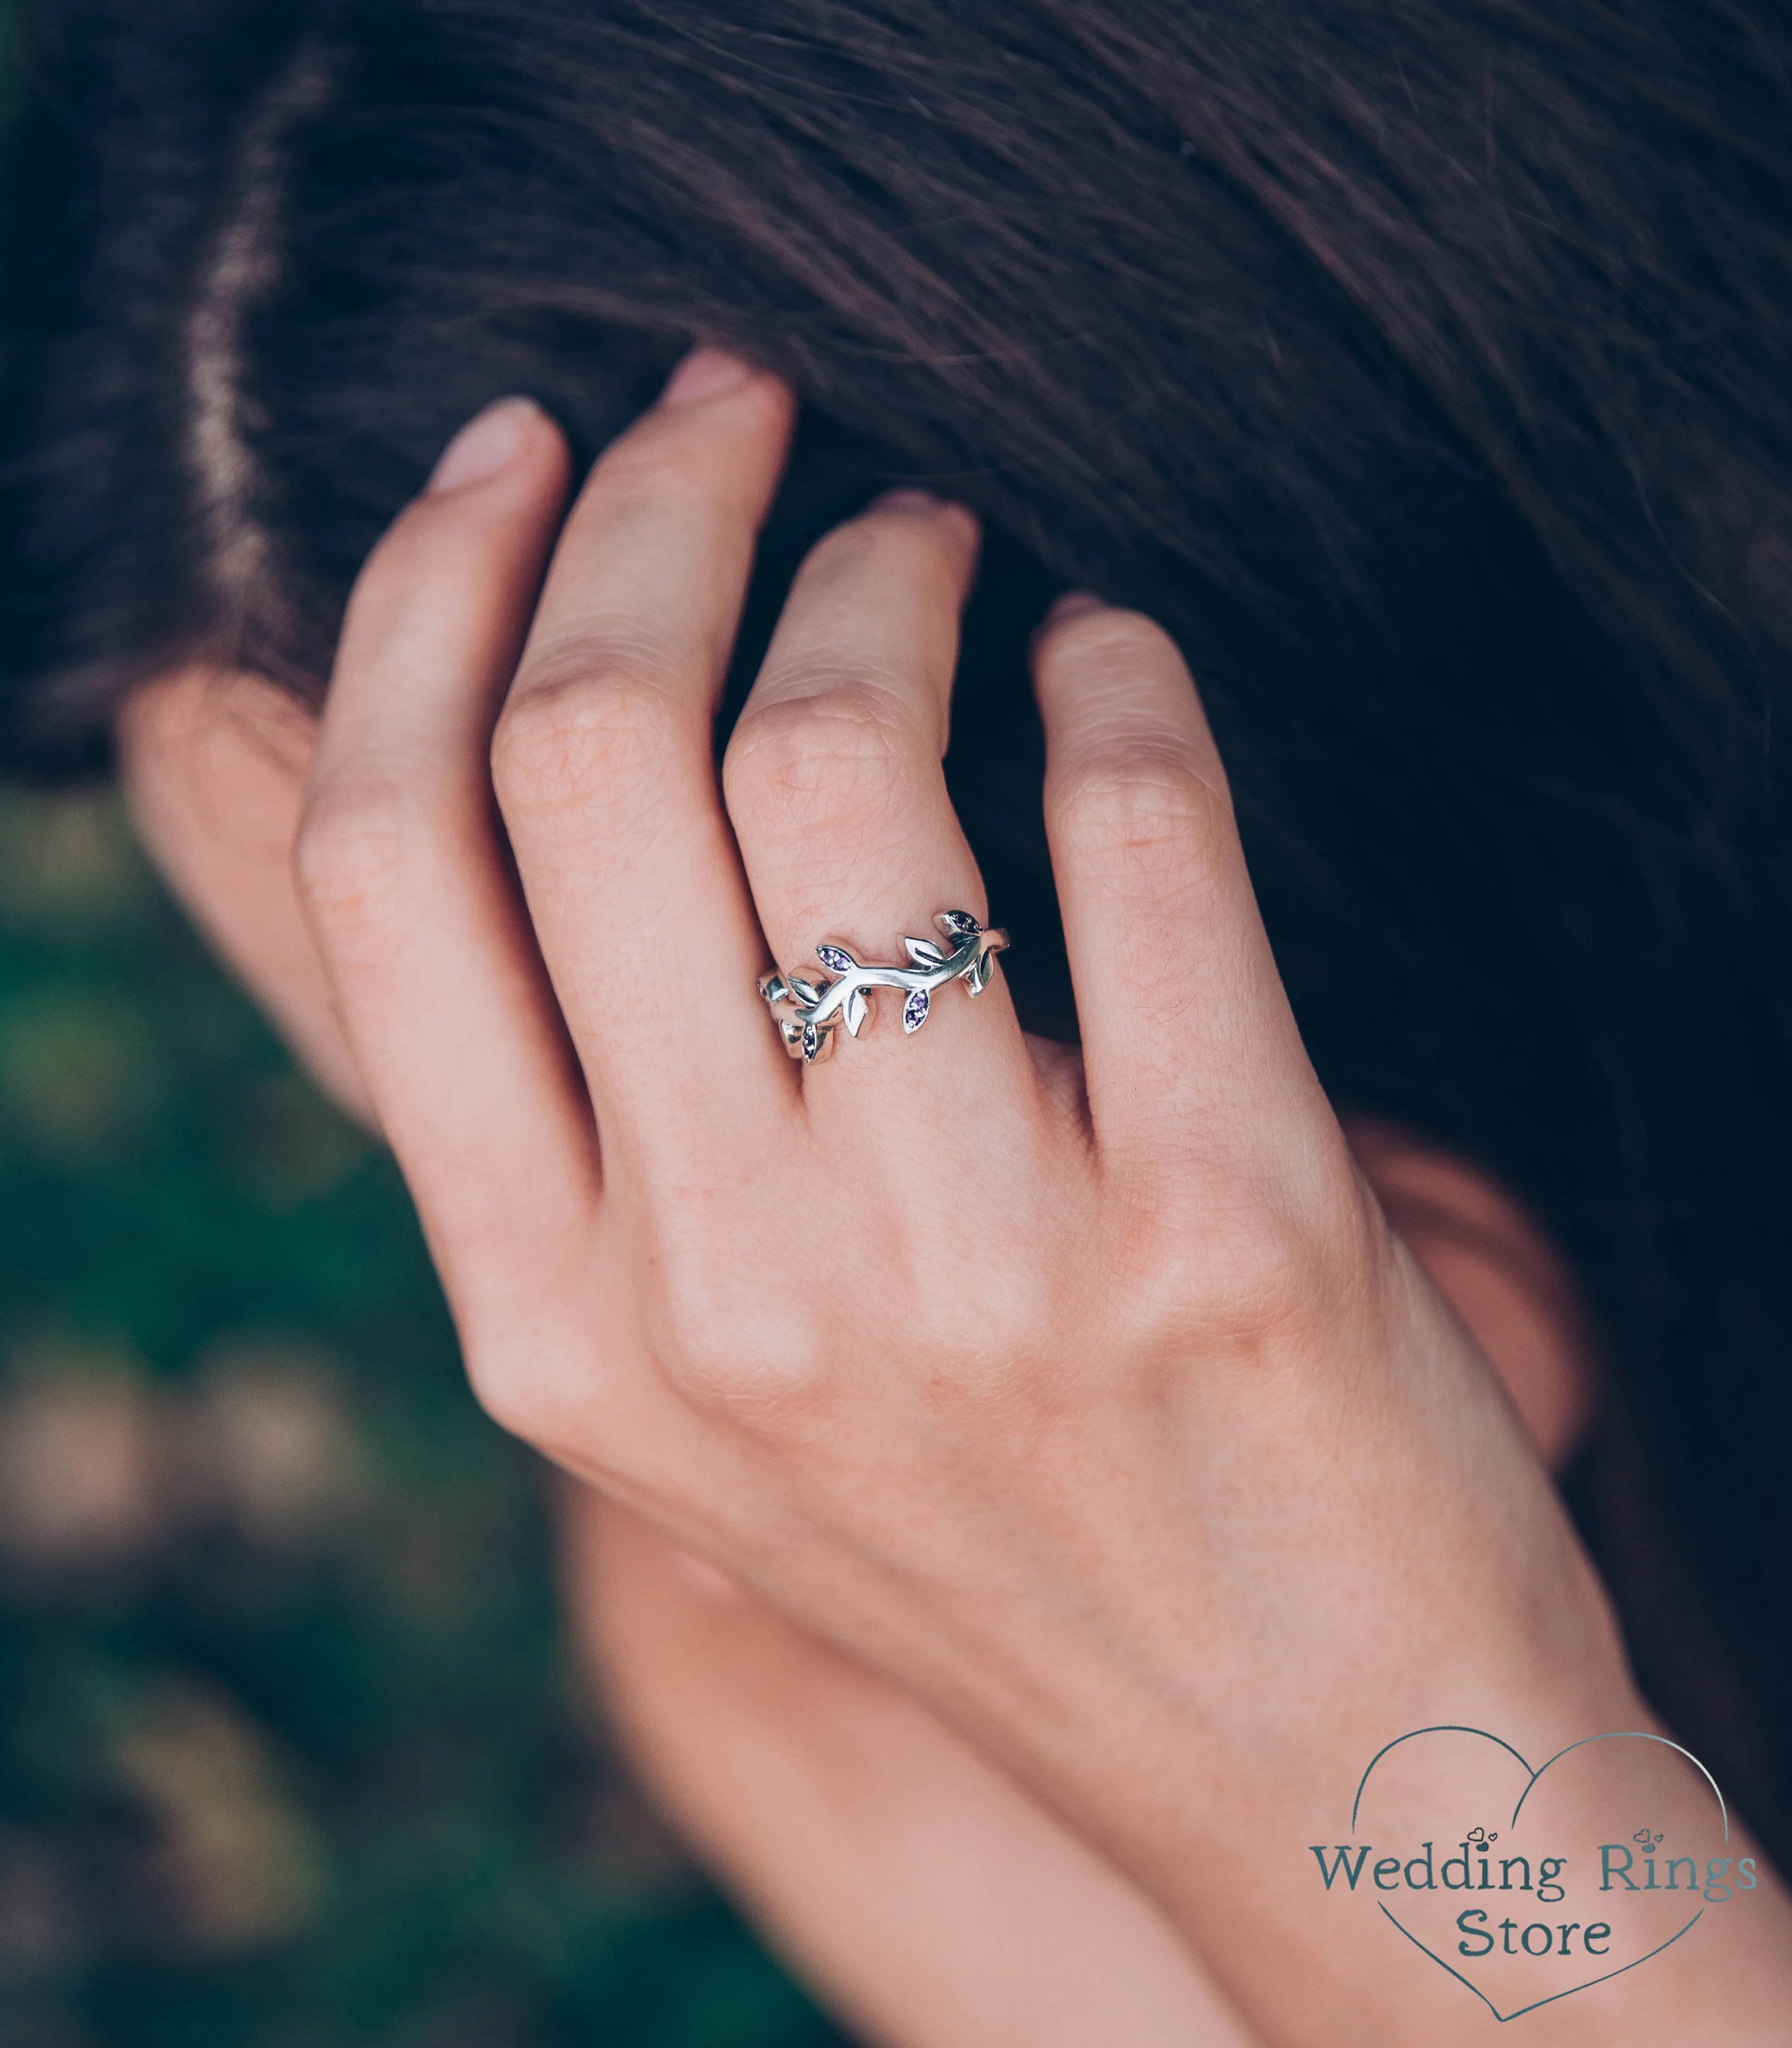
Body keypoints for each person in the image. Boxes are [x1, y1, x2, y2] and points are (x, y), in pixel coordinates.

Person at [3, 4, 1791, 2040]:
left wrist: (1341, 1786)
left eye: (745, 1101)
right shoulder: (844, 1693)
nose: (744, 1427)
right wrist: (1330, 1785)